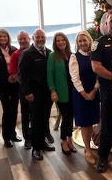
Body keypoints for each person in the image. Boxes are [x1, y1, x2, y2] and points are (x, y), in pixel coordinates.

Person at [91, 10, 112, 173]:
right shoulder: (99, 43)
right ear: (106, 24)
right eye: (111, 21)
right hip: (108, 90)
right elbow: (96, 67)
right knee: (108, 122)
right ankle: (103, 157)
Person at [18, 29, 54, 161]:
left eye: (42, 37)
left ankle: (42, 143)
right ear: (33, 38)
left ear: (45, 38)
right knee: (36, 120)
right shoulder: (27, 54)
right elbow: (22, 75)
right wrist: (27, 92)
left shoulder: (49, 53)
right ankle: (36, 148)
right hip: (34, 94)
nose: (40, 39)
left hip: (47, 93)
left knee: (45, 118)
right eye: (37, 37)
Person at [70, 30, 100, 165]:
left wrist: (94, 90)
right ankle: (88, 150)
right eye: (80, 41)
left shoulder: (95, 55)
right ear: (77, 43)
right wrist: (85, 94)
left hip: (94, 92)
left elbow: (98, 74)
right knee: (84, 123)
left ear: (89, 41)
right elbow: (75, 78)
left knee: (92, 120)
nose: (82, 43)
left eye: (84, 40)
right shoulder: (74, 57)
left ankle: (90, 143)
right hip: (81, 94)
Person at [0, 28, 20, 148]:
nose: (2, 38)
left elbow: (18, 66)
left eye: (4, 36)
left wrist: (15, 77)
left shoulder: (14, 49)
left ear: (8, 38)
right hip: (3, 85)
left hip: (15, 84)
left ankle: (13, 134)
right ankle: (6, 137)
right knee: (7, 110)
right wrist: (7, 78)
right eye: (0, 36)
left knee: (14, 109)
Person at [47, 32, 77, 155]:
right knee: (66, 117)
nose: (60, 42)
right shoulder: (52, 56)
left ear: (66, 41)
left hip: (73, 91)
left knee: (71, 117)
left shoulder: (72, 55)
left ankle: (70, 139)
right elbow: (50, 75)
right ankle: (63, 141)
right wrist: (53, 91)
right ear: (55, 43)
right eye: (58, 40)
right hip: (61, 92)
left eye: (62, 40)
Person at [9, 31, 31, 149]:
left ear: (29, 39)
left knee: (38, 114)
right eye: (20, 39)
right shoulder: (15, 55)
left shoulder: (35, 51)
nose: (22, 41)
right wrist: (27, 87)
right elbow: (14, 74)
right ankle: (27, 138)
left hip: (38, 89)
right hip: (24, 89)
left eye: (24, 38)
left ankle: (39, 136)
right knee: (26, 114)